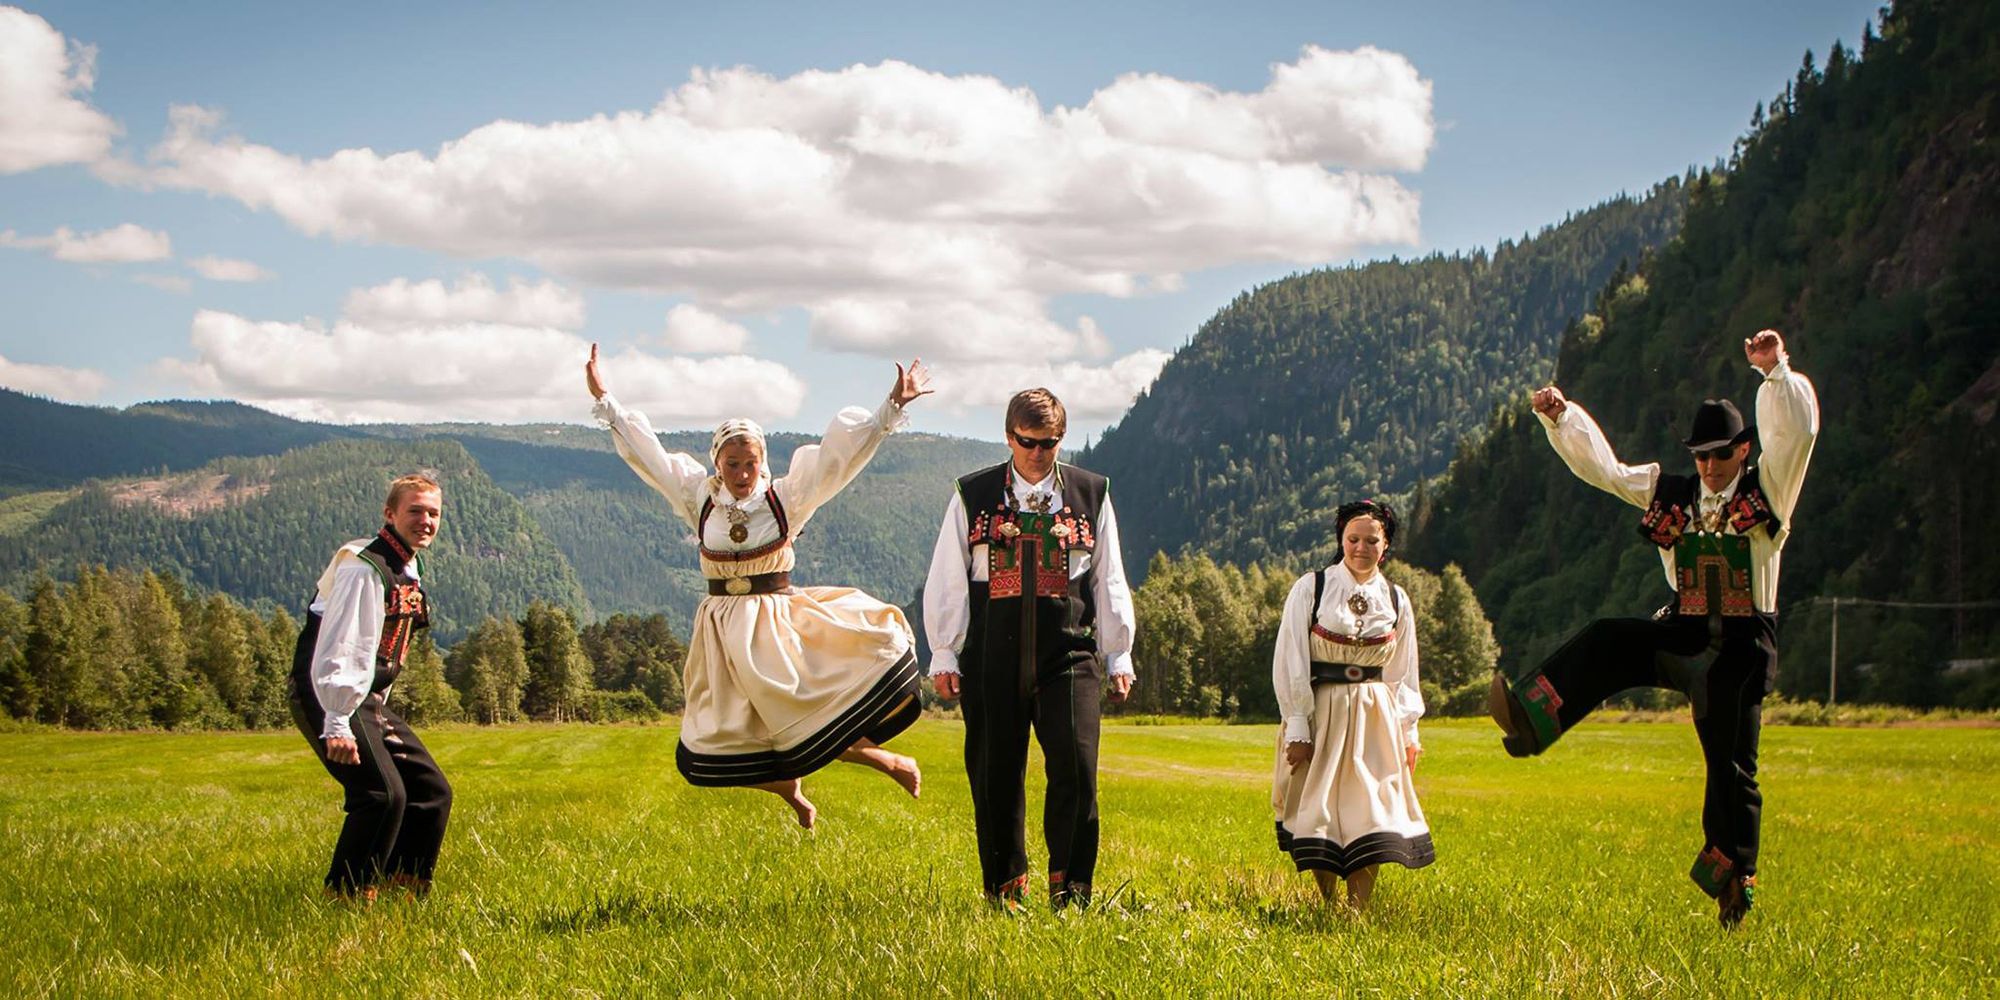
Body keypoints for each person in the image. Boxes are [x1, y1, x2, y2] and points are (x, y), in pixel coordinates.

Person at [1490, 329, 1818, 927]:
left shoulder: (1771, 491)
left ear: (1744, 450)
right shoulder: (1671, 492)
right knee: (1610, 638)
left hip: (1742, 649)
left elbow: (1797, 435)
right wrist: (1562, 419)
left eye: (1722, 453)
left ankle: (1734, 879)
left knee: (1730, 765)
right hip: (1686, 635)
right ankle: (1533, 718)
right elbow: (1606, 470)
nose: (1711, 465)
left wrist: (1775, 373)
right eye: (1702, 455)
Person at [587, 345, 930, 829]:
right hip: (721, 633)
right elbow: (652, 458)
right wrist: (607, 401)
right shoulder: (698, 498)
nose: (743, 474)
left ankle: (890, 761)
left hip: (774, 624)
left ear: (762, 460)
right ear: (717, 463)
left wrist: (890, 407)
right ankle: (792, 790)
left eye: (750, 463)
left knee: (805, 718)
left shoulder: (784, 498)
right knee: (711, 747)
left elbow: (839, 461)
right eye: (732, 464)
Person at [923, 387, 1137, 911]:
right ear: (1009, 436)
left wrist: (1119, 652)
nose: (1040, 453)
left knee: (1079, 771)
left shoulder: (1092, 493)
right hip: (991, 653)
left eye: (1051, 443)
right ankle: (1005, 893)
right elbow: (949, 577)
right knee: (995, 774)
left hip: (1069, 652)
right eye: (1029, 442)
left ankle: (1071, 894)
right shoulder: (972, 495)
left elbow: (1109, 577)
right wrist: (945, 652)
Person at [289, 474, 452, 900]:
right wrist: (338, 720)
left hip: (367, 699)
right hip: (330, 696)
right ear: (390, 513)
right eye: (415, 511)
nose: (425, 521)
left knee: (430, 793)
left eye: (433, 513)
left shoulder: (406, 565)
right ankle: (346, 897)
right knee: (380, 795)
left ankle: (403, 895)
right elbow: (344, 643)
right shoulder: (365, 566)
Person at [1271, 499, 1431, 911]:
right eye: (1353, 539)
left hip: (1375, 718)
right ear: (1341, 540)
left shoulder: (1396, 599)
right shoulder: (1313, 587)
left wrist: (1408, 731)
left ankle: (1357, 909)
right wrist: (1297, 726)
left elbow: (1402, 672)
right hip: (1322, 712)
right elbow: (1291, 658)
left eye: (1371, 540)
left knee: (1372, 809)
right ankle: (1327, 904)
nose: (1361, 547)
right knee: (1318, 807)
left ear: (1386, 545)